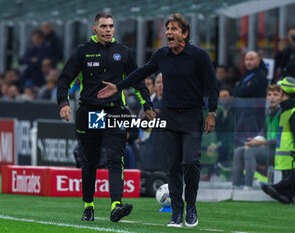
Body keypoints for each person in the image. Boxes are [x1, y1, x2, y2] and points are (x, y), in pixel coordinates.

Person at [98, 13, 218, 228]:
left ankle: (191, 206)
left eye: (174, 29)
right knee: (172, 166)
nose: (169, 32)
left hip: (192, 117)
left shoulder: (199, 56)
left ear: (185, 33)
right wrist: (118, 86)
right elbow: (141, 73)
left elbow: (212, 85)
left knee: (190, 162)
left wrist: (212, 113)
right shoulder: (162, 55)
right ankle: (176, 213)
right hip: (170, 117)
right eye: (167, 28)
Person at [57, 12, 155, 222]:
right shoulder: (82, 52)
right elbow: (65, 78)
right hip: (90, 112)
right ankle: (88, 205)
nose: (108, 30)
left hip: (114, 112)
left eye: (111, 26)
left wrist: (147, 104)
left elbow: (138, 81)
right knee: (90, 161)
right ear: (95, 29)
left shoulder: (123, 52)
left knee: (115, 160)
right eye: (103, 26)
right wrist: (64, 103)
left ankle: (116, 206)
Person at [232, 85, 281, 189]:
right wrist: (252, 143)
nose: (272, 97)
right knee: (239, 151)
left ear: (282, 97)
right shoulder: (269, 113)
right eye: (269, 94)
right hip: (268, 149)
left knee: (250, 152)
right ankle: (236, 186)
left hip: (279, 152)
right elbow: (263, 133)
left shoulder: (282, 113)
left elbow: (282, 139)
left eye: (275, 94)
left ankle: (248, 187)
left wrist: (260, 143)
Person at [262, 77, 295, 204]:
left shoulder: (291, 111)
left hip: (290, 157)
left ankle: (280, 188)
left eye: (279, 91)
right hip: (285, 157)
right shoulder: (286, 110)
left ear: (283, 92)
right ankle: (280, 189)